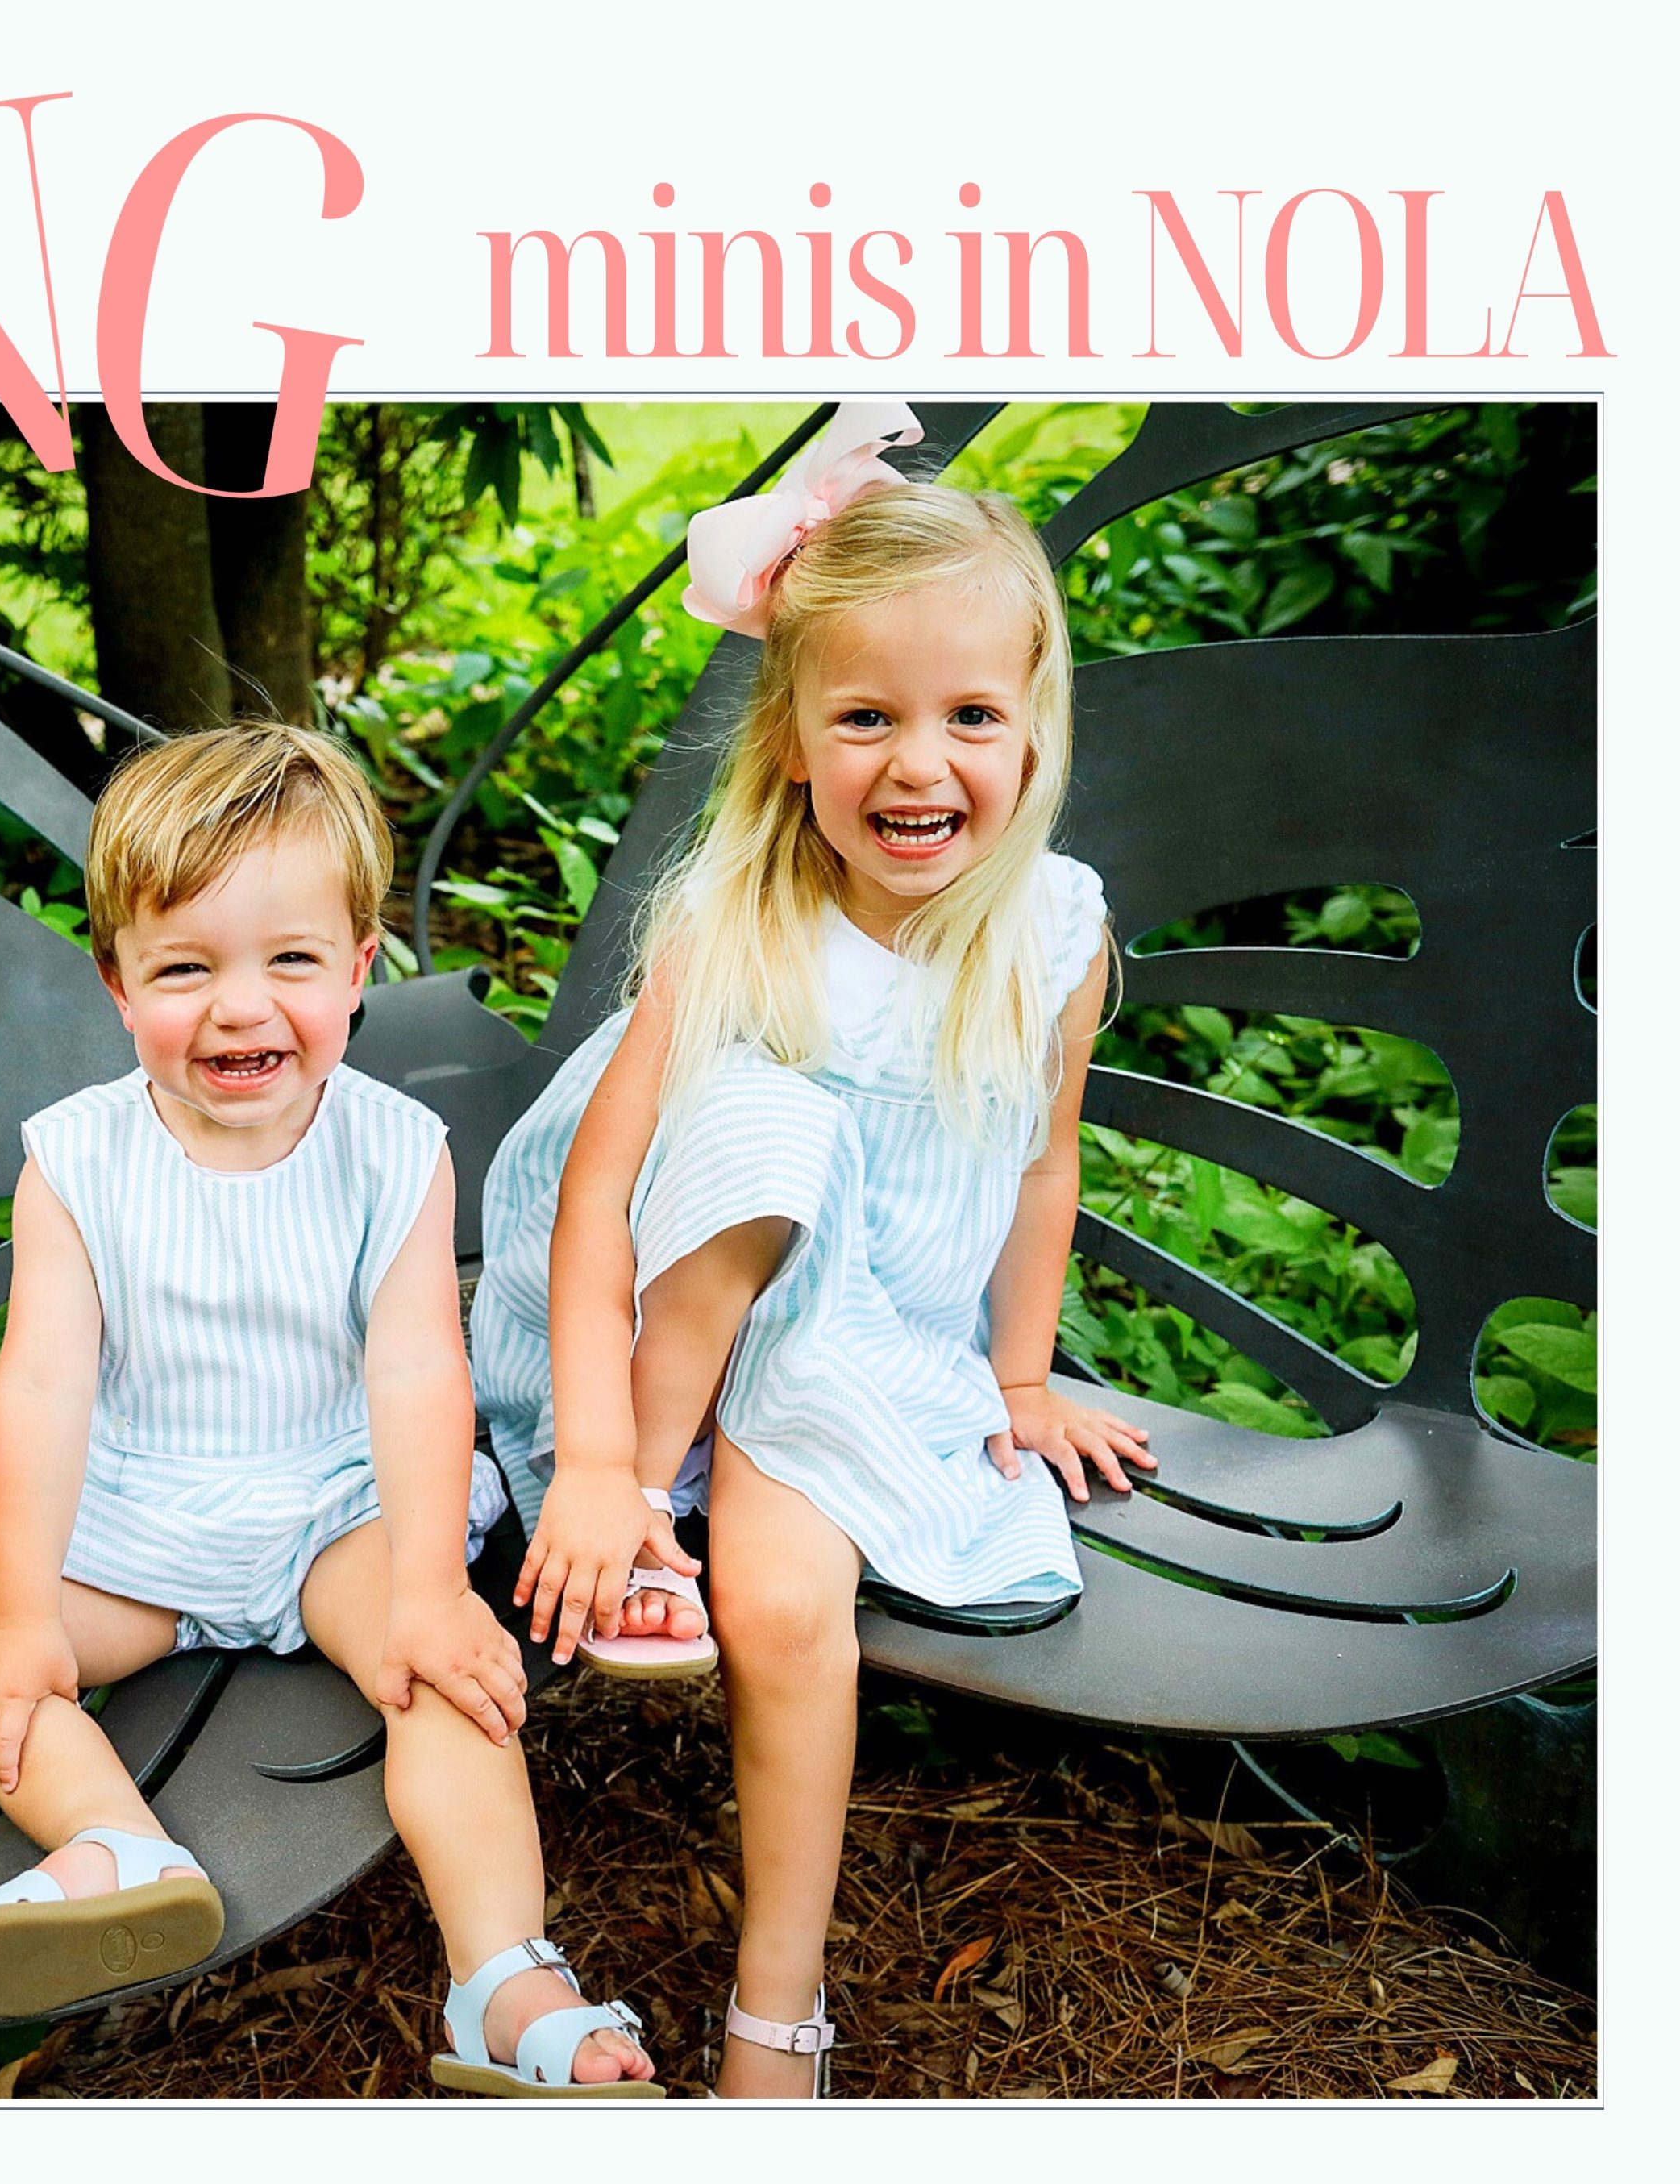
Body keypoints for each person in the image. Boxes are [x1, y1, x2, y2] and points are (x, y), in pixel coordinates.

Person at [467, 404, 1156, 2097]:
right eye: (866, 715)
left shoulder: (1053, 930)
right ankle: (628, 1494)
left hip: (859, 1331)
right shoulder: (737, 920)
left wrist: (1015, 1368)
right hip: (673, 1296)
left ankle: (776, 2009)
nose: (917, 765)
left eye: (968, 715)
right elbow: (595, 1190)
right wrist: (595, 1456)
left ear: (1031, 727)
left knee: (784, 1604)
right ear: (790, 737)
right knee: (768, 1130)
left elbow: (1042, 1159)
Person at [0, 723, 662, 2096]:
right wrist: (23, 1616)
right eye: (184, 967)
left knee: (446, 1674)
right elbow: (43, 1383)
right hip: (138, 1517)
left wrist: (429, 1586)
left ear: (360, 967)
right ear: (116, 983)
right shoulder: (76, 1158)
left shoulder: (391, 1146)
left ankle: (501, 1974)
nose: (239, 1008)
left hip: (336, 1509)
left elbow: (418, 1373)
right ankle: (115, 1848)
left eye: (289, 962)